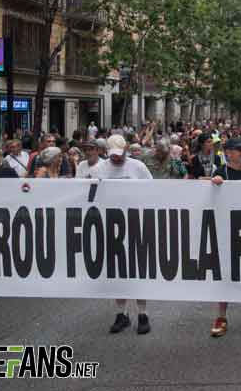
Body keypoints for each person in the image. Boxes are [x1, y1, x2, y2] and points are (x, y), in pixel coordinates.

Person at [95, 135, 153, 335]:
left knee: (137, 271)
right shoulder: (101, 168)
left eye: (119, 155)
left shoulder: (138, 167)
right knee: (117, 271)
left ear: (126, 150)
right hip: (111, 225)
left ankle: (143, 314)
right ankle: (122, 314)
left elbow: (153, 191)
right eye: (112, 155)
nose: (116, 159)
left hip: (135, 223)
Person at [210, 137, 241, 336]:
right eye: (239, 150)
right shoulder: (221, 172)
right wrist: (215, 183)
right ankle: (221, 316)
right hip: (226, 228)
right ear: (228, 152)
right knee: (226, 273)